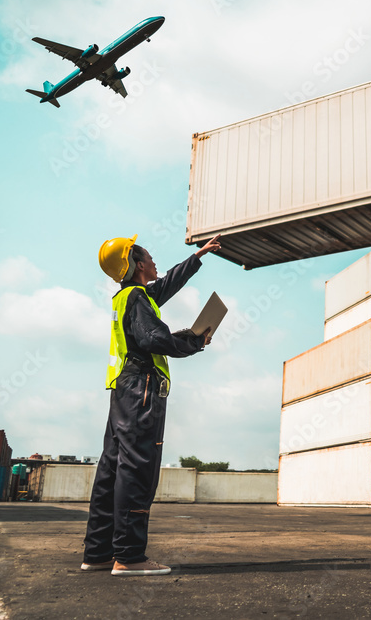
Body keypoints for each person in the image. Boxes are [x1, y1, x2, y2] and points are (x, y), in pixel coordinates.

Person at [82, 233, 222, 576]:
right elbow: (154, 339)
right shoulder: (137, 299)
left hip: (123, 391)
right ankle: (129, 557)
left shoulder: (128, 296)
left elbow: (167, 285)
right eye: (149, 256)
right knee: (137, 469)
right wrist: (194, 340)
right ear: (138, 263)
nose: (155, 260)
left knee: (112, 470)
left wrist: (198, 256)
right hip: (142, 389)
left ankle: (98, 553)